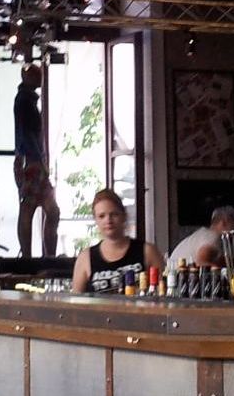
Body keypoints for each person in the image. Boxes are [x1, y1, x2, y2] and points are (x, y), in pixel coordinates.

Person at [70, 188, 164, 294]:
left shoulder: (148, 251)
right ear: (95, 220)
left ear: (124, 216)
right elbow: (75, 301)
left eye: (114, 214)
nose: (108, 220)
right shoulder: (85, 258)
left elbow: (164, 293)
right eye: (101, 216)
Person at [12, 65, 59, 257]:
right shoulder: (24, 101)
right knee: (31, 208)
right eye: (36, 75)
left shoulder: (27, 100)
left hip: (32, 161)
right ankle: (31, 256)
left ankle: (41, 256)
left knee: (47, 210)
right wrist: (36, 161)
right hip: (31, 162)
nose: (40, 78)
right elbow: (26, 134)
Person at [167, 205, 234, 269]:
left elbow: (215, 259)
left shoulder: (204, 234)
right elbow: (202, 262)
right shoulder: (213, 237)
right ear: (223, 222)